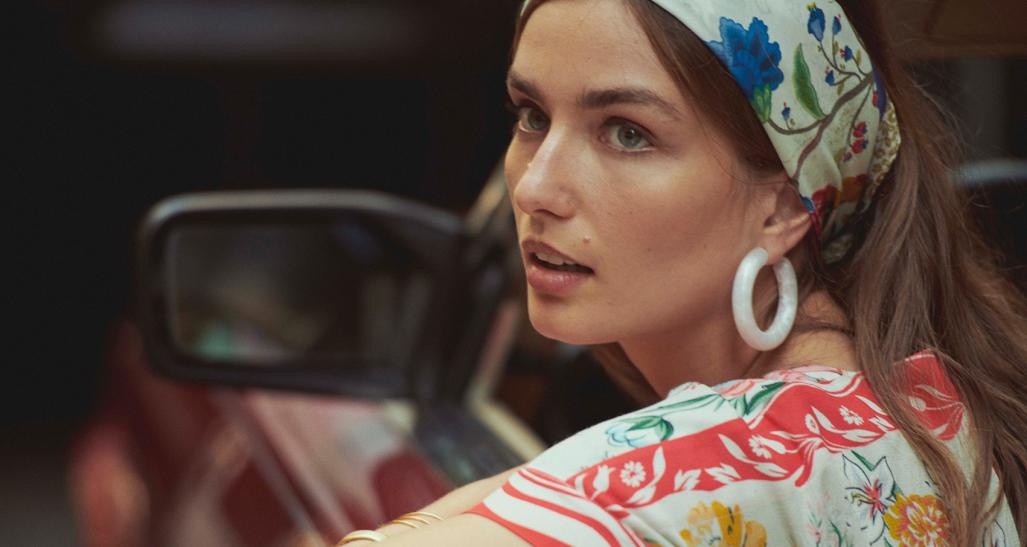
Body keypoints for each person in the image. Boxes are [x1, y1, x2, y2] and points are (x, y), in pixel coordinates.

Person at [337, 0, 1027, 544]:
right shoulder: (932, 409)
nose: (534, 188)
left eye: (627, 132)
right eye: (531, 116)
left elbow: (659, 487)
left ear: (785, 203)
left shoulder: (698, 478)